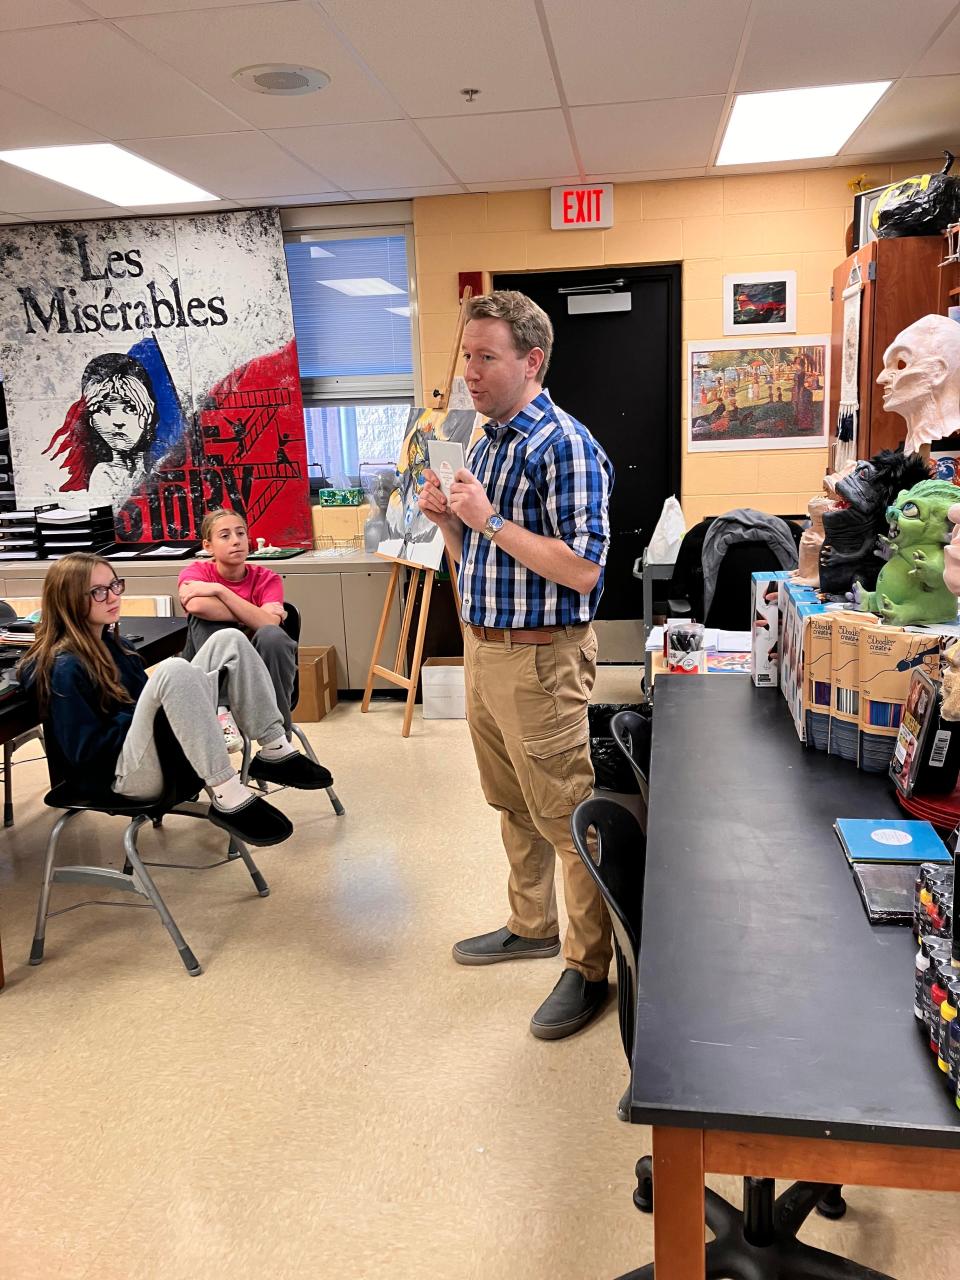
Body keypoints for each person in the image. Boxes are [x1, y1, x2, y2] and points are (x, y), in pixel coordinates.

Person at [418, 289, 614, 1041]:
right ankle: (531, 925)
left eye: (485, 357)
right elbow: (479, 563)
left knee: (566, 818)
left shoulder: (563, 444)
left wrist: (488, 518)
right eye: (467, 355)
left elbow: (584, 571)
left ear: (531, 361)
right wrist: (448, 524)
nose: (469, 371)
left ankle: (587, 966)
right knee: (511, 802)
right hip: (486, 649)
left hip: (542, 662)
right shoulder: (483, 439)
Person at [18, 554, 333, 848]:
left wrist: (162, 713)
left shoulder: (117, 646)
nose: (114, 596)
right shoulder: (64, 668)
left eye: (115, 585)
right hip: (120, 777)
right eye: (98, 592)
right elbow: (87, 755)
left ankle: (275, 749)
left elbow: (142, 708)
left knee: (230, 640)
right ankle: (227, 792)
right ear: (70, 601)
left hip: (156, 753)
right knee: (174, 669)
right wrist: (153, 715)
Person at [177, 509, 300, 736]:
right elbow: (196, 606)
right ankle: (220, 708)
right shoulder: (196, 571)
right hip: (207, 677)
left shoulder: (267, 578)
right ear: (208, 545)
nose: (236, 541)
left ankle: (277, 736)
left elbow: (268, 625)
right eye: (225, 536)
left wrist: (220, 592)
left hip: (260, 680)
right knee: (206, 622)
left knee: (272, 636)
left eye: (241, 533)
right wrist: (252, 613)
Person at [44, 352, 157, 505]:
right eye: (103, 410)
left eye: (130, 408)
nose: (118, 421)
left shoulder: (160, 468)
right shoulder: (104, 476)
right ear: (91, 420)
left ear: (148, 414)